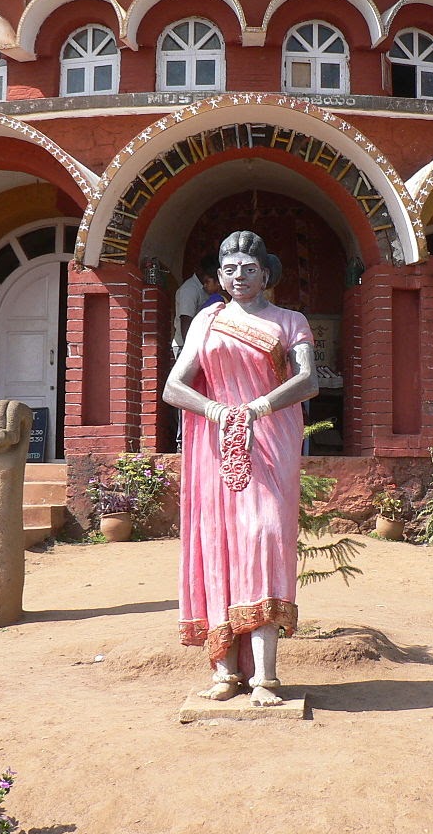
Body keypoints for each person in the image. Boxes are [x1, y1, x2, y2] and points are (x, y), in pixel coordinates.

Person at [163, 231, 318, 707]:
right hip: (215, 444)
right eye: (229, 270)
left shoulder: (290, 321)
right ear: (220, 277)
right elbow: (174, 386)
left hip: (271, 438)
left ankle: (266, 677)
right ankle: (225, 672)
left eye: (248, 269)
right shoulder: (207, 320)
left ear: (265, 274)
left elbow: (307, 380)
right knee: (220, 544)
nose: (239, 277)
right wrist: (217, 413)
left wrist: (255, 409)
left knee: (265, 536)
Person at [171, 254, 219, 357]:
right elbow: (186, 321)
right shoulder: (189, 289)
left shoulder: (208, 290)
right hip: (186, 346)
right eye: (207, 278)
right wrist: (190, 352)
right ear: (200, 271)